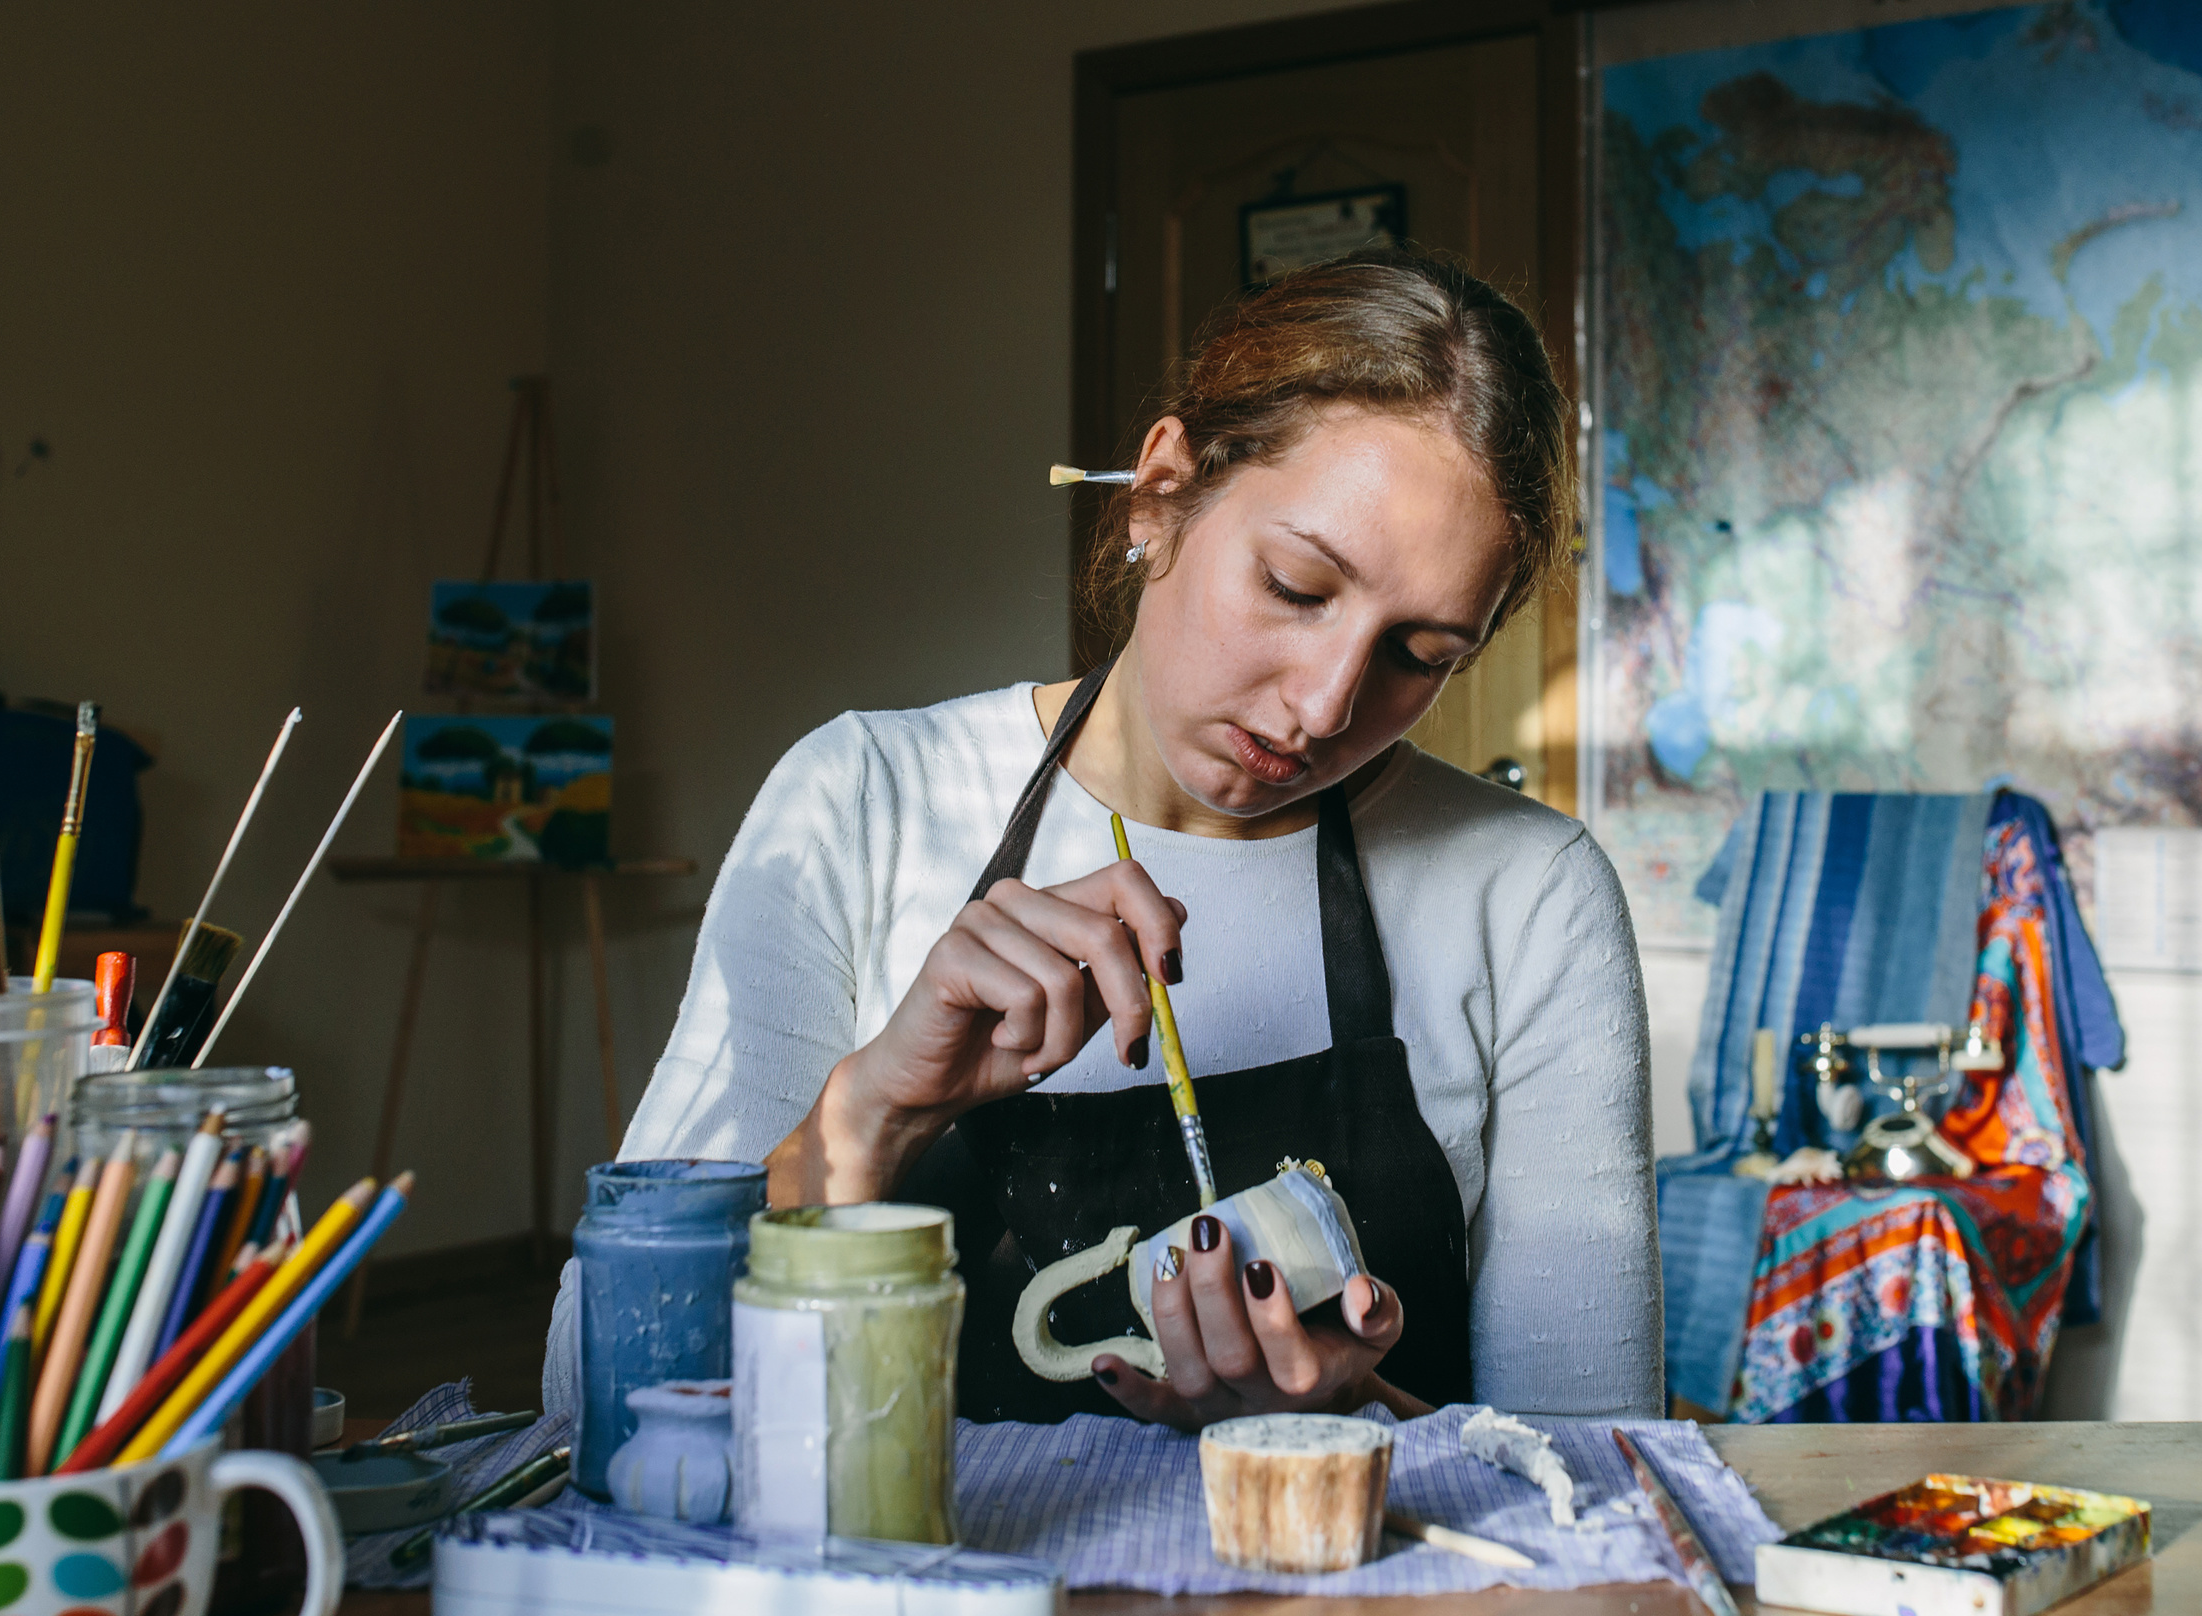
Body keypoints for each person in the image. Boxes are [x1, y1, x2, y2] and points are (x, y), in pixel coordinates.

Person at [545, 249, 1660, 1430]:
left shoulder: (1528, 894)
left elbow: (1597, 1475)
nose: (1324, 705)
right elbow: (590, 1401)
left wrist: (1355, 1419)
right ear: (1161, 490)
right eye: (1293, 586)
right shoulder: (868, 801)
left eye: (1420, 656)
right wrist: (870, 1118)